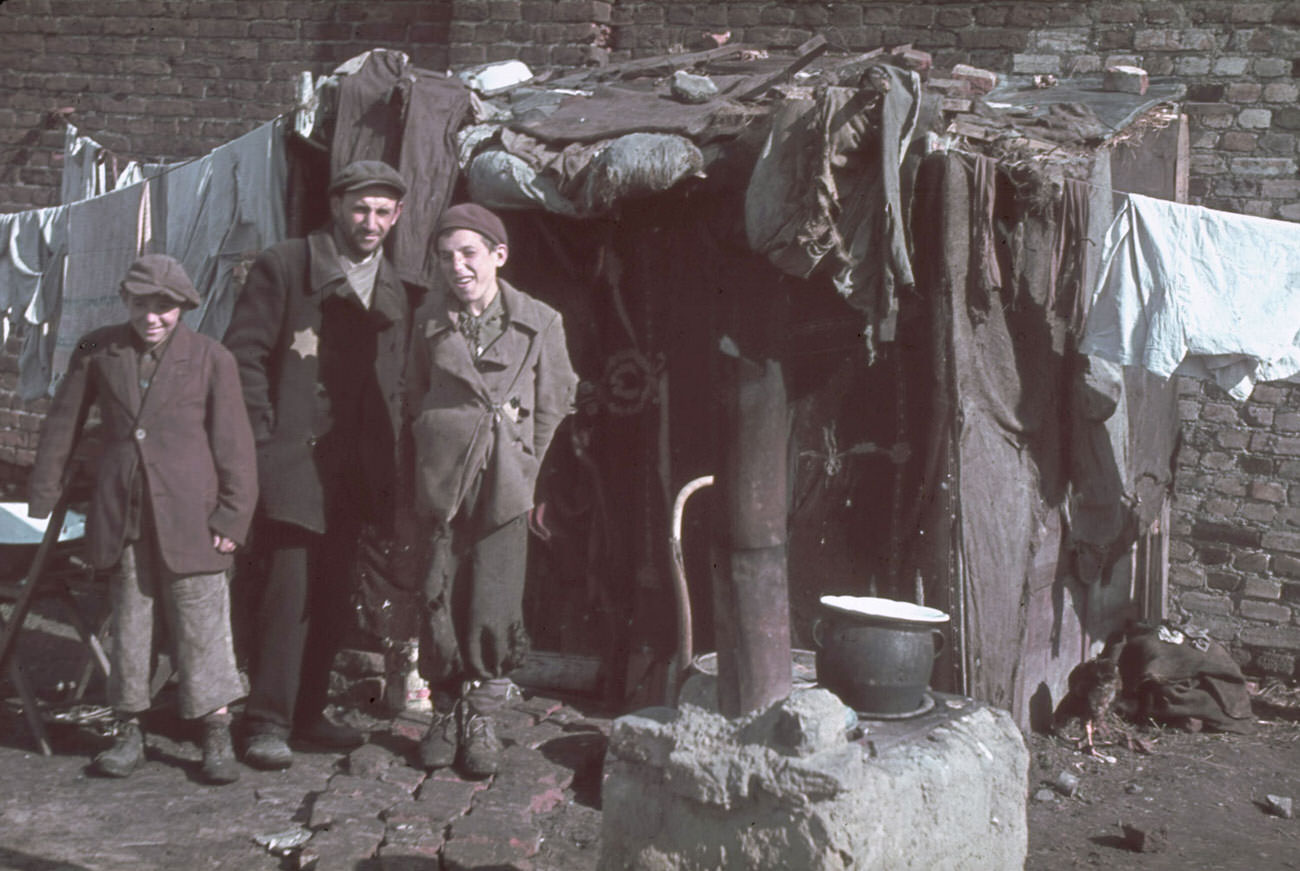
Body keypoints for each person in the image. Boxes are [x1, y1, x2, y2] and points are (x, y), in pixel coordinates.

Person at [29, 254, 257, 785]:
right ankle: (128, 730)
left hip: (194, 515)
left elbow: (235, 446)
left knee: (202, 622)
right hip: (124, 514)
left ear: (182, 307)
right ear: (125, 302)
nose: (151, 317)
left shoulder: (210, 358)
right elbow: (63, 422)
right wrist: (44, 495)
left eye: (164, 307)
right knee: (131, 622)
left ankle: (215, 733)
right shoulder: (99, 350)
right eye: (140, 305)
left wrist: (232, 515)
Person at [223, 160, 421, 769]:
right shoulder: (285, 265)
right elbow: (244, 357)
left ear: (397, 217)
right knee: (288, 592)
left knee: (332, 594)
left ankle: (307, 714)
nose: (370, 222)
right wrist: (264, 442)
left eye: (383, 212)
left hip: (355, 468)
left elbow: (391, 387)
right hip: (294, 460)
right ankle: (266, 720)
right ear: (336, 206)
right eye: (360, 208)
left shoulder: (396, 288)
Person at [405, 203, 578, 778]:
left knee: (493, 598)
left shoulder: (540, 322)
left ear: (498, 257)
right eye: (447, 256)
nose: (458, 267)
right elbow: (413, 393)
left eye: (469, 254)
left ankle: (479, 717)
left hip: (504, 482)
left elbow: (554, 403)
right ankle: (444, 711)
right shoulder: (428, 321)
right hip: (442, 481)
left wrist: (522, 462)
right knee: (438, 590)